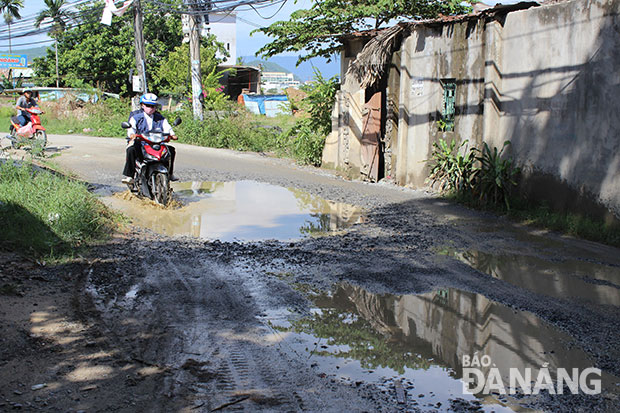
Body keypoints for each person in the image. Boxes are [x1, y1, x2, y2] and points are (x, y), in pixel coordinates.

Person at [122, 93, 178, 184]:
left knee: (171, 151)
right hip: (141, 143)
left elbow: (168, 128)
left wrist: (172, 134)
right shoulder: (136, 117)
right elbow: (131, 129)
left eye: (153, 106)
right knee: (131, 150)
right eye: (148, 105)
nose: (150, 108)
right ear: (142, 105)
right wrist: (132, 134)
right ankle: (130, 175)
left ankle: (170, 174)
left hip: (156, 143)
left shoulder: (160, 118)